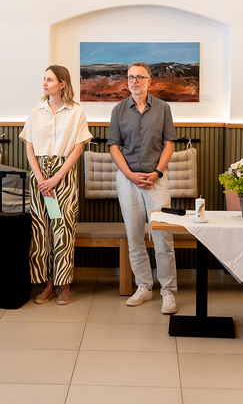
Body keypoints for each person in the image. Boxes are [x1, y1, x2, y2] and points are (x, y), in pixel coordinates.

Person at [108, 61, 178, 315]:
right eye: (130, 77)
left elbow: (169, 144)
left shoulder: (163, 108)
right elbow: (114, 147)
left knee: (163, 238)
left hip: (156, 180)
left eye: (139, 77)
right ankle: (144, 286)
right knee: (135, 236)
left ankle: (168, 291)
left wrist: (157, 173)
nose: (134, 81)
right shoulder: (118, 110)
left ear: (150, 81)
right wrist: (128, 175)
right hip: (128, 181)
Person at [20, 66, 91, 306]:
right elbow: (29, 147)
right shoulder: (36, 111)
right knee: (41, 231)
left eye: (49, 79)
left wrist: (56, 178)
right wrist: (41, 179)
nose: (44, 83)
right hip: (40, 178)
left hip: (63, 177)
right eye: (44, 79)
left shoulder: (76, 111)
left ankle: (64, 286)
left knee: (62, 230)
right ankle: (47, 284)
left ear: (62, 84)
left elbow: (78, 149)